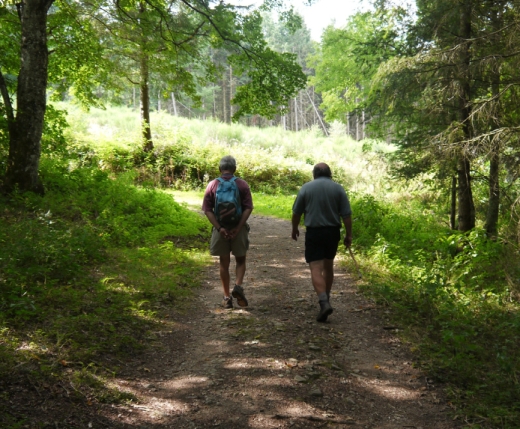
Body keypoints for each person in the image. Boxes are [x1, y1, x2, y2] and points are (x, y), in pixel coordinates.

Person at [291, 162, 352, 322]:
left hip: (314, 232)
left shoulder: (306, 188)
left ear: (314, 174)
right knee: (328, 266)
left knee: (315, 268)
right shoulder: (338, 188)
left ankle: (323, 301)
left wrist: (294, 228)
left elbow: (296, 212)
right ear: (330, 174)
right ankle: (327, 299)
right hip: (332, 232)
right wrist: (349, 235)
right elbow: (346, 214)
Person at [202, 155, 253, 309]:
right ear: (234, 169)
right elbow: (248, 207)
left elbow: (207, 210)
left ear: (220, 169)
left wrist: (219, 228)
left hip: (221, 229)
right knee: (241, 260)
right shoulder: (242, 184)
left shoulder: (212, 185)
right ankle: (238, 286)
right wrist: (238, 228)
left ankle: (226, 298)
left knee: (224, 263)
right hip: (239, 228)